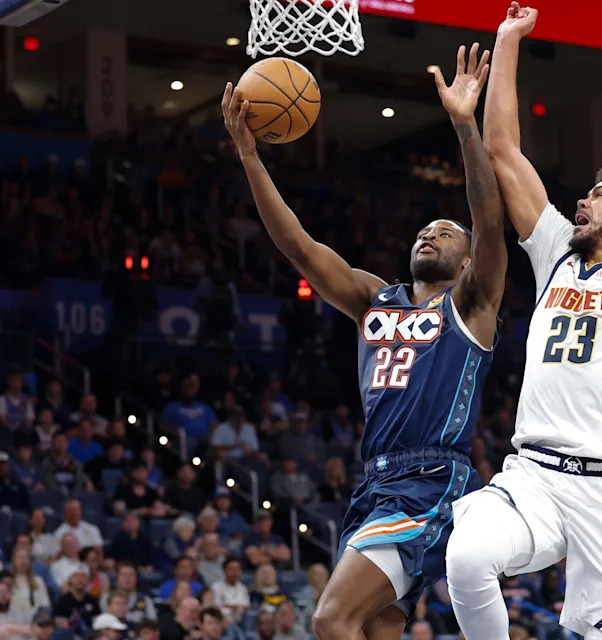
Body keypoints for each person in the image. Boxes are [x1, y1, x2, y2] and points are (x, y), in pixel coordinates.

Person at [224, 39, 505, 640]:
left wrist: (464, 125)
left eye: (445, 233)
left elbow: (489, 222)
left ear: (465, 261)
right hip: (374, 482)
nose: (430, 235)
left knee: (331, 618)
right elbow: (301, 249)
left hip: (430, 480)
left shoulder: (472, 302)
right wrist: (250, 157)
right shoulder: (375, 298)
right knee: (372, 630)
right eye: (424, 230)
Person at [446, 4, 602, 640]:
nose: (584, 199)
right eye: (586, 192)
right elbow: (503, 150)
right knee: (468, 556)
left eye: (601, 194)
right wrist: (508, 39)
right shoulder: (557, 253)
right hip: (534, 472)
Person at [53, 569, 100, 636]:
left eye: (83, 576)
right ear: (70, 579)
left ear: (88, 580)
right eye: (76, 576)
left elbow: (97, 620)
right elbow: (58, 621)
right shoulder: (63, 601)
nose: (80, 579)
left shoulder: (93, 601)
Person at [9, 547, 51, 621]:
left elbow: (45, 605)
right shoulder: (7, 581)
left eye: (26, 558)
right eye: (20, 558)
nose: (23, 561)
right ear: (14, 560)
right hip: (12, 621)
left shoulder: (38, 581)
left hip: (34, 622)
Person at [211, 558, 250, 624]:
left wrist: (232, 607)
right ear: (224, 571)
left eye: (237, 569)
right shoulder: (216, 587)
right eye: (231, 569)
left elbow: (247, 606)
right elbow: (216, 607)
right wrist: (235, 607)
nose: (234, 572)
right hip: (223, 619)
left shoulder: (243, 588)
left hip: (242, 619)